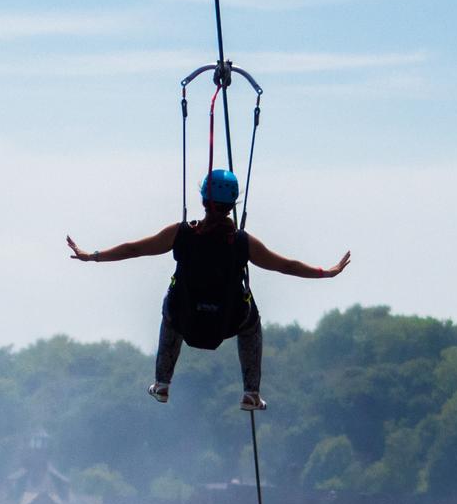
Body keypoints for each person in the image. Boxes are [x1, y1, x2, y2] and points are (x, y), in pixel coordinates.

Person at [66, 168, 349, 410]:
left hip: (185, 319)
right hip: (227, 321)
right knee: (252, 322)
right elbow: (286, 266)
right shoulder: (242, 242)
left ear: (203, 199)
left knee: (170, 308)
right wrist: (325, 272)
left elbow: (134, 249)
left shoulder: (181, 233)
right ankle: (251, 392)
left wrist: (93, 256)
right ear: (233, 205)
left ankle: (162, 383)